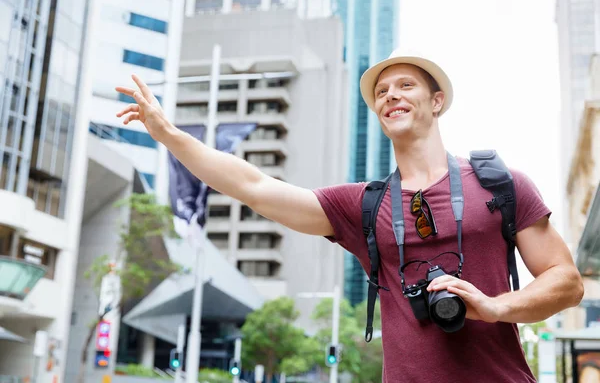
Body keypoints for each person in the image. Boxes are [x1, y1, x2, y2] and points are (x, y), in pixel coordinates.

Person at [115, 49, 584, 382]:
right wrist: (171, 135)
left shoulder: (500, 184)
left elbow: (566, 281)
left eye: (405, 86)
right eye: (381, 91)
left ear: (436, 101)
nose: (390, 96)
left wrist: (498, 306)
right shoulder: (363, 205)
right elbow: (255, 187)